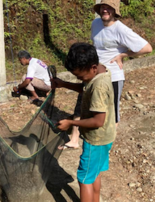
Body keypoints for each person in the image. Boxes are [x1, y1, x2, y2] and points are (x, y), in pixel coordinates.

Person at [61, 0, 152, 149]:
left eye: (109, 7)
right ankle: (74, 140)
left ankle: (106, 145)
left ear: (115, 11)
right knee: (82, 105)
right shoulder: (95, 24)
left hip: (112, 76)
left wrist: (123, 55)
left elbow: (147, 48)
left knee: (110, 113)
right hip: (91, 73)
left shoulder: (121, 29)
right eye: (103, 7)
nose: (105, 10)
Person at [52, 43, 116, 202]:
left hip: (96, 140)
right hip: (105, 137)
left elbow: (98, 121)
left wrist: (71, 123)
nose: (79, 80)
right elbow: (85, 87)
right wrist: (63, 84)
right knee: (94, 173)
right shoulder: (100, 71)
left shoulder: (99, 86)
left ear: (93, 67)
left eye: (80, 77)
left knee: (84, 178)